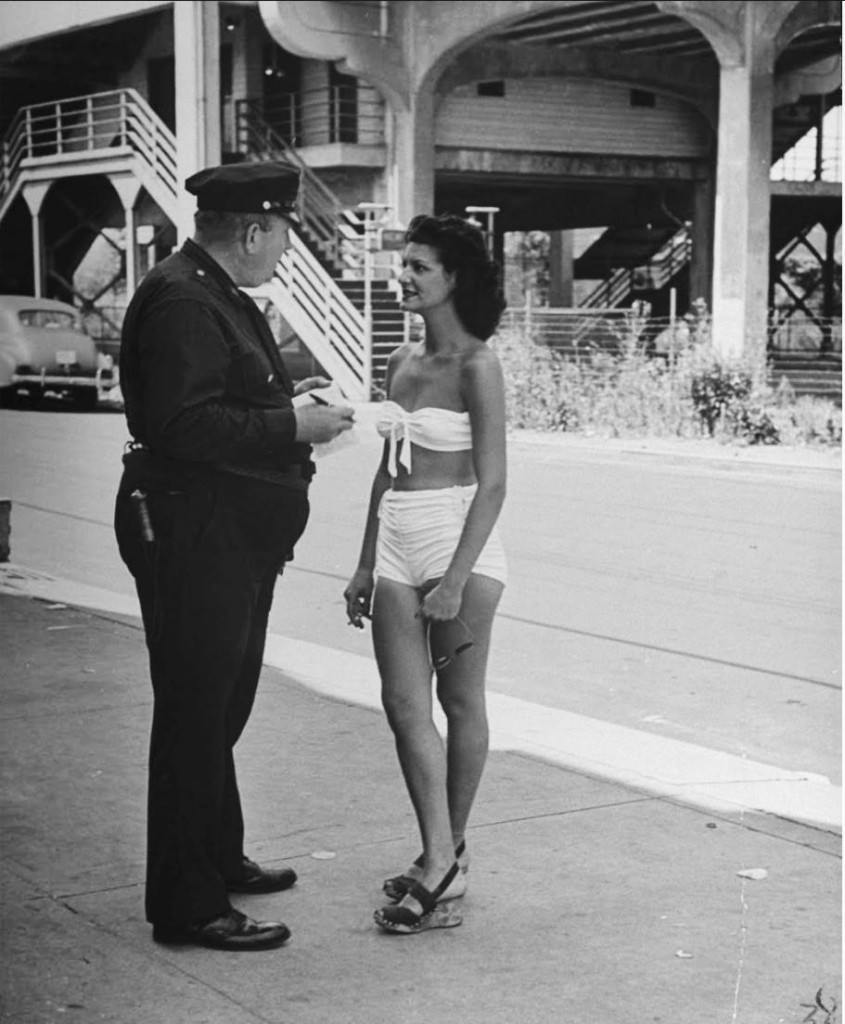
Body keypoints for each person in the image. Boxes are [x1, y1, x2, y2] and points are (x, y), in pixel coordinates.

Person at [114, 161, 355, 952]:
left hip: (222, 530)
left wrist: (293, 406)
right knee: (196, 713)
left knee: (221, 703)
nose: (286, 248)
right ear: (253, 229)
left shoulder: (213, 292)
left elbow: (231, 400)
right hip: (192, 529)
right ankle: (187, 904)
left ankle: (217, 856)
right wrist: (295, 428)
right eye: (283, 232)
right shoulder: (187, 299)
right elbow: (184, 427)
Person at [343, 214, 508, 935]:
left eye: (418, 266)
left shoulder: (478, 365)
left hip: (457, 541)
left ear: (454, 278)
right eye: (403, 263)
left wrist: (453, 579)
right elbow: (386, 470)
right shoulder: (400, 362)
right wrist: (360, 561)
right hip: (397, 543)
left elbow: (496, 484)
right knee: (403, 705)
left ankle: (443, 859)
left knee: (460, 700)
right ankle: (440, 855)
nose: (403, 275)